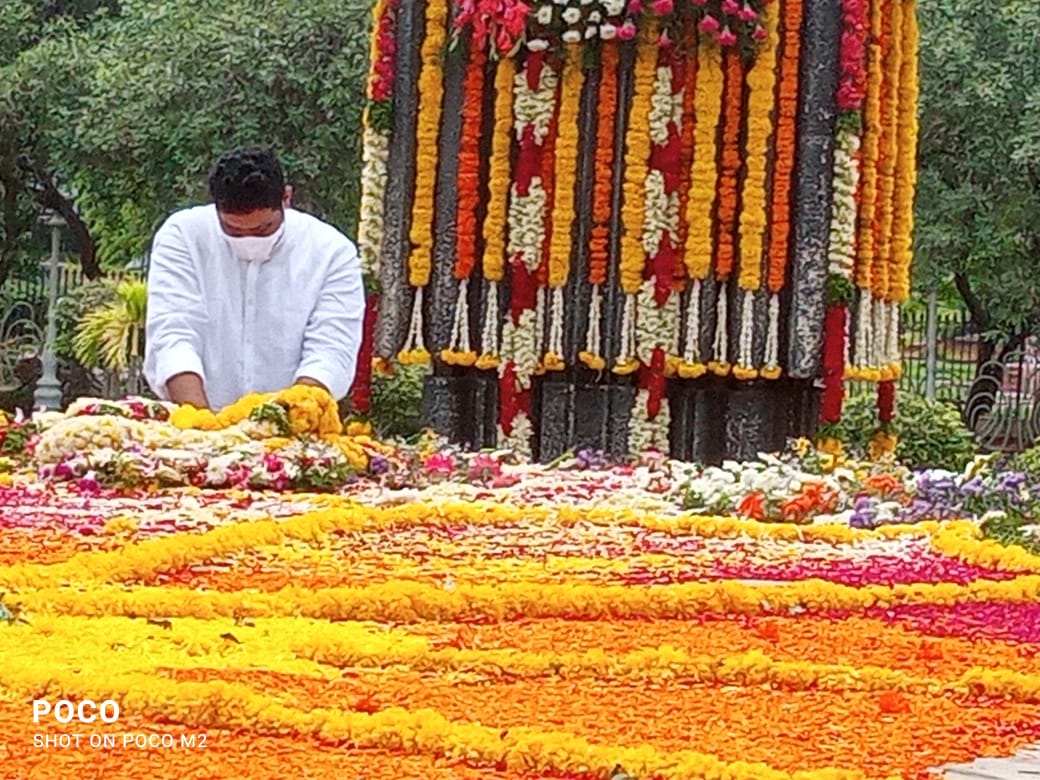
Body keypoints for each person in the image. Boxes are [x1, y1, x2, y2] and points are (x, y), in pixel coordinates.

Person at [143, 147, 365, 411]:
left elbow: (330, 349)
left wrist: (279, 423)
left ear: (286, 198)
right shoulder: (183, 235)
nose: (248, 239)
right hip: (195, 422)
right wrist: (201, 427)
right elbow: (173, 331)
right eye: (233, 230)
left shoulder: (331, 251)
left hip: (293, 427)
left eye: (263, 229)